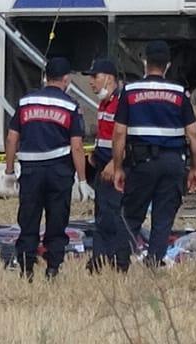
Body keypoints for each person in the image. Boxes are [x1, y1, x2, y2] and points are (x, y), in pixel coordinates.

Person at [109, 41, 196, 268]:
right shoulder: (180, 93)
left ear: (144, 62)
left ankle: (120, 263)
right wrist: (195, 168)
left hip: (141, 162)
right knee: (163, 217)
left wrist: (118, 167)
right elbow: (193, 135)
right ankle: (154, 261)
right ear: (167, 65)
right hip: (173, 162)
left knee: (131, 215)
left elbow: (119, 133)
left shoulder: (130, 92)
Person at [5, 56, 86, 280]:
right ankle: (53, 268)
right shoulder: (70, 106)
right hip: (59, 171)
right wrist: (82, 180)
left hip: (31, 172)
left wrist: (9, 171)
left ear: (45, 77)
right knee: (57, 220)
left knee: (28, 220)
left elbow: (12, 139)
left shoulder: (25, 102)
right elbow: (77, 147)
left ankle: (26, 268)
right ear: (66, 79)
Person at [84, 58, 126, 272]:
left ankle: (110, 259)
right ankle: (100, 258)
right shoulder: (104, 102)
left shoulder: (121, 102)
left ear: (109, 78)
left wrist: (114, 163)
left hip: (114, 167)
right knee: (101, 213)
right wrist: (95, 152)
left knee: (111, 214)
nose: (91, 82)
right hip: (103, 164)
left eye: (95, 76)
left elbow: (125, 137)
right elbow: (107, 134)